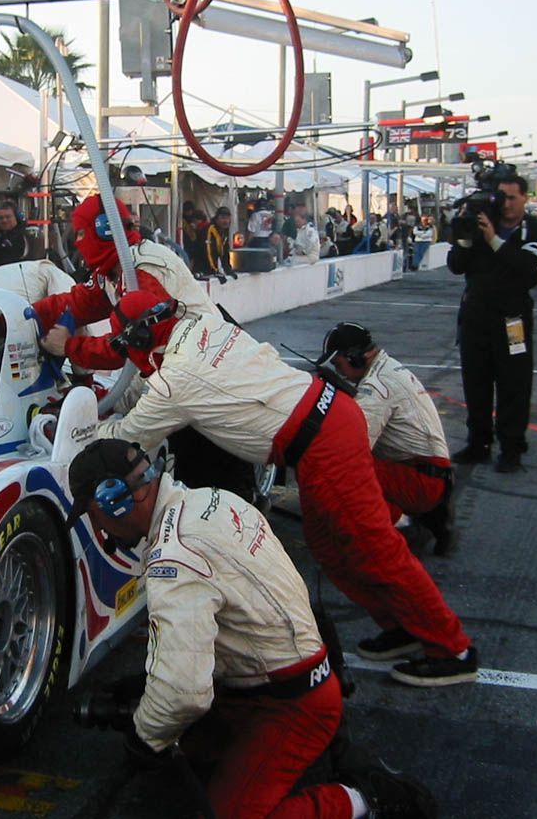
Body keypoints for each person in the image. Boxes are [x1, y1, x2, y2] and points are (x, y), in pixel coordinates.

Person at [89, 290, 477, 686]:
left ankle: (453, 649)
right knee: (331, 548)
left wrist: (80, 425)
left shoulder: (175, 383)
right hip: (326, 425)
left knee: (376, 548)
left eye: (124, 344)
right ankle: (404, 626)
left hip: (323, 443)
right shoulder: (207, 325)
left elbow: (126, 438)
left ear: (138, 340)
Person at [67, 439, 437, 819]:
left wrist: (144, 738)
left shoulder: (175, 556)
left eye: (92, 514)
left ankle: (365, 799)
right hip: (290, 671)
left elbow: (182, 694)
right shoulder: (212, 499)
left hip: (292, 703)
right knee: (181, 740)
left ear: (114, 501)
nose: (97, 527)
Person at [0, 193, 222, 371]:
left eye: (82, 233)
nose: (78, 242)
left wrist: (70, 347)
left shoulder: (140, 270)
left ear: (106, 229)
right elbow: (70, 305)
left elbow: (136, 344)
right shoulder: (113, 271)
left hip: (205, 370)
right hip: (181, 368)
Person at [318, 322, 455, 556]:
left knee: (340, 470)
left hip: (422, 480)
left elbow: (354, 446)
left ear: (355, 357)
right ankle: (430, 518)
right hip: (432, 474)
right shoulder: (389, 367)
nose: (338, 369)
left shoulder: (377, 388)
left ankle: (404, 527)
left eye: (337, 362)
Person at [447, 173, 537, 473]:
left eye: (511, 197)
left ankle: (511, 447)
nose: (504, 203)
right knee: (475, 383)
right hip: (475, 317)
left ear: (525, 198)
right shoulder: (480, 222)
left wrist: (493, 239)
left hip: (513, 320)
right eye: (499, 197)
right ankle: (478, 442)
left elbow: (528, 271)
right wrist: (466, 235)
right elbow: (456, 266)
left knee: (514, 384)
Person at [204, 206, 238, 278]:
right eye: (223, 218)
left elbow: (224, 251)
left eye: (227, 218)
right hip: (204, 267)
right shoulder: (211, 229)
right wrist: (214, 270)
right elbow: (208, 251)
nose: (225, 221)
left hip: (214, 268)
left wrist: (228, 269)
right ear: (217, 219)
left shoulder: (225, 231)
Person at [288, 200, 321, 265]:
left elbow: (311, 243)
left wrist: (303, 252)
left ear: (304, 220)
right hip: (299, 254)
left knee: (292, 262)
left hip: (310, 256)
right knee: (287, 260)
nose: (296, 223)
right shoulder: (297, 230)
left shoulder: (310, 229)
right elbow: (292, 241)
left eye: (298, 221)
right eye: (295, 222)